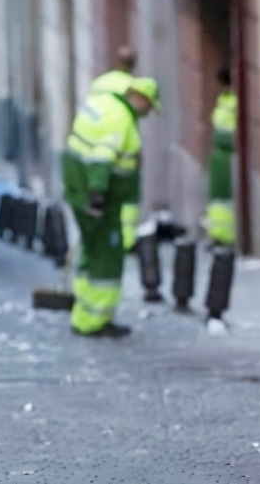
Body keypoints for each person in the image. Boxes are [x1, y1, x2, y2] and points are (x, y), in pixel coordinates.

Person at [62, 76, 161, 338]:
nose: (148, 112)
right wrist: (98, 195)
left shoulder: (103, 102)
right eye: (148, 106)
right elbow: (102, 158)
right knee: (106, 260)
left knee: (91, 252)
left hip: (78, 192)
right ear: (140, 97)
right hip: (100, 201)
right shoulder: (120, 119)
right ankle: (96, 320)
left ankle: (82, 314)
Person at [88, 45, 141, 252]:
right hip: (120, 145)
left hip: (95, 138)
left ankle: (103, 238)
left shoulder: (100, 83)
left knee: (100, 197)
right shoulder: (132, 87)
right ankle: (126, 241)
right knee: (127, 199)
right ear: (133, 64)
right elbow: (131, 121)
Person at [206, 66, 238, 247]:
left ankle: (227, 236)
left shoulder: (234, 101)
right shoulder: (223, 99)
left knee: (226, 196)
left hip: (229, 154)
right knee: (217, 197)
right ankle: (216, 234)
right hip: (219, 154)